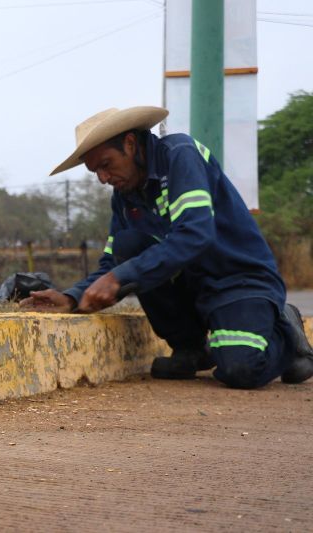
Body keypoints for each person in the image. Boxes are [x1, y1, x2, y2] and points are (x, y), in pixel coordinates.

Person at [21, 105, 313, 388]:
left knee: (241, 369)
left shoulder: (179, 155)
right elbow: (112, 265)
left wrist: (119, 277)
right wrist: (71, 297)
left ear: (130, 144)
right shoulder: (124, 195)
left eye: (106, 165)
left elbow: (195, 235)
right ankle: (191, 347)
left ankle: (286, 333)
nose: (103, 179)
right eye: (95, 171)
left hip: (238, 280)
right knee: (127, 244)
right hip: (193, 285)